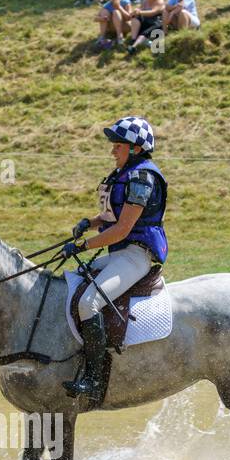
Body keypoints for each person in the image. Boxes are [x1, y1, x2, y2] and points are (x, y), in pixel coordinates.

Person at [60, 117, 168, 406]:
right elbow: (111, 217)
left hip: (136, 255)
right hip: (118, 253)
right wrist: (90, 221)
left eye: (117, 145)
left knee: (88, 303)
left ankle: (95, 379)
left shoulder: (142, 178)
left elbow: (122, 229)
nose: (112, 151)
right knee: (68, 285)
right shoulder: (123, 174)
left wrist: (82, 245)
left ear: (134, 149)